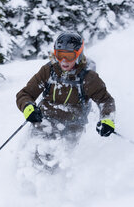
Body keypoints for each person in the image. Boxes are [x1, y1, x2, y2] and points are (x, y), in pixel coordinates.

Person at [16, 32, 116, 168]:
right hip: (43, 119)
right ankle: (24, 183)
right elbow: (25, 94)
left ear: (79, 54)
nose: (64, 61)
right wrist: (28, 108)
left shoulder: (88, 77)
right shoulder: (48, 71)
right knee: (32, 155)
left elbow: (105, 100)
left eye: (69, 56)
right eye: (60, 55)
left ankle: (56, 186)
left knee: (57, 162)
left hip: (71, 126)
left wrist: (107, 120)